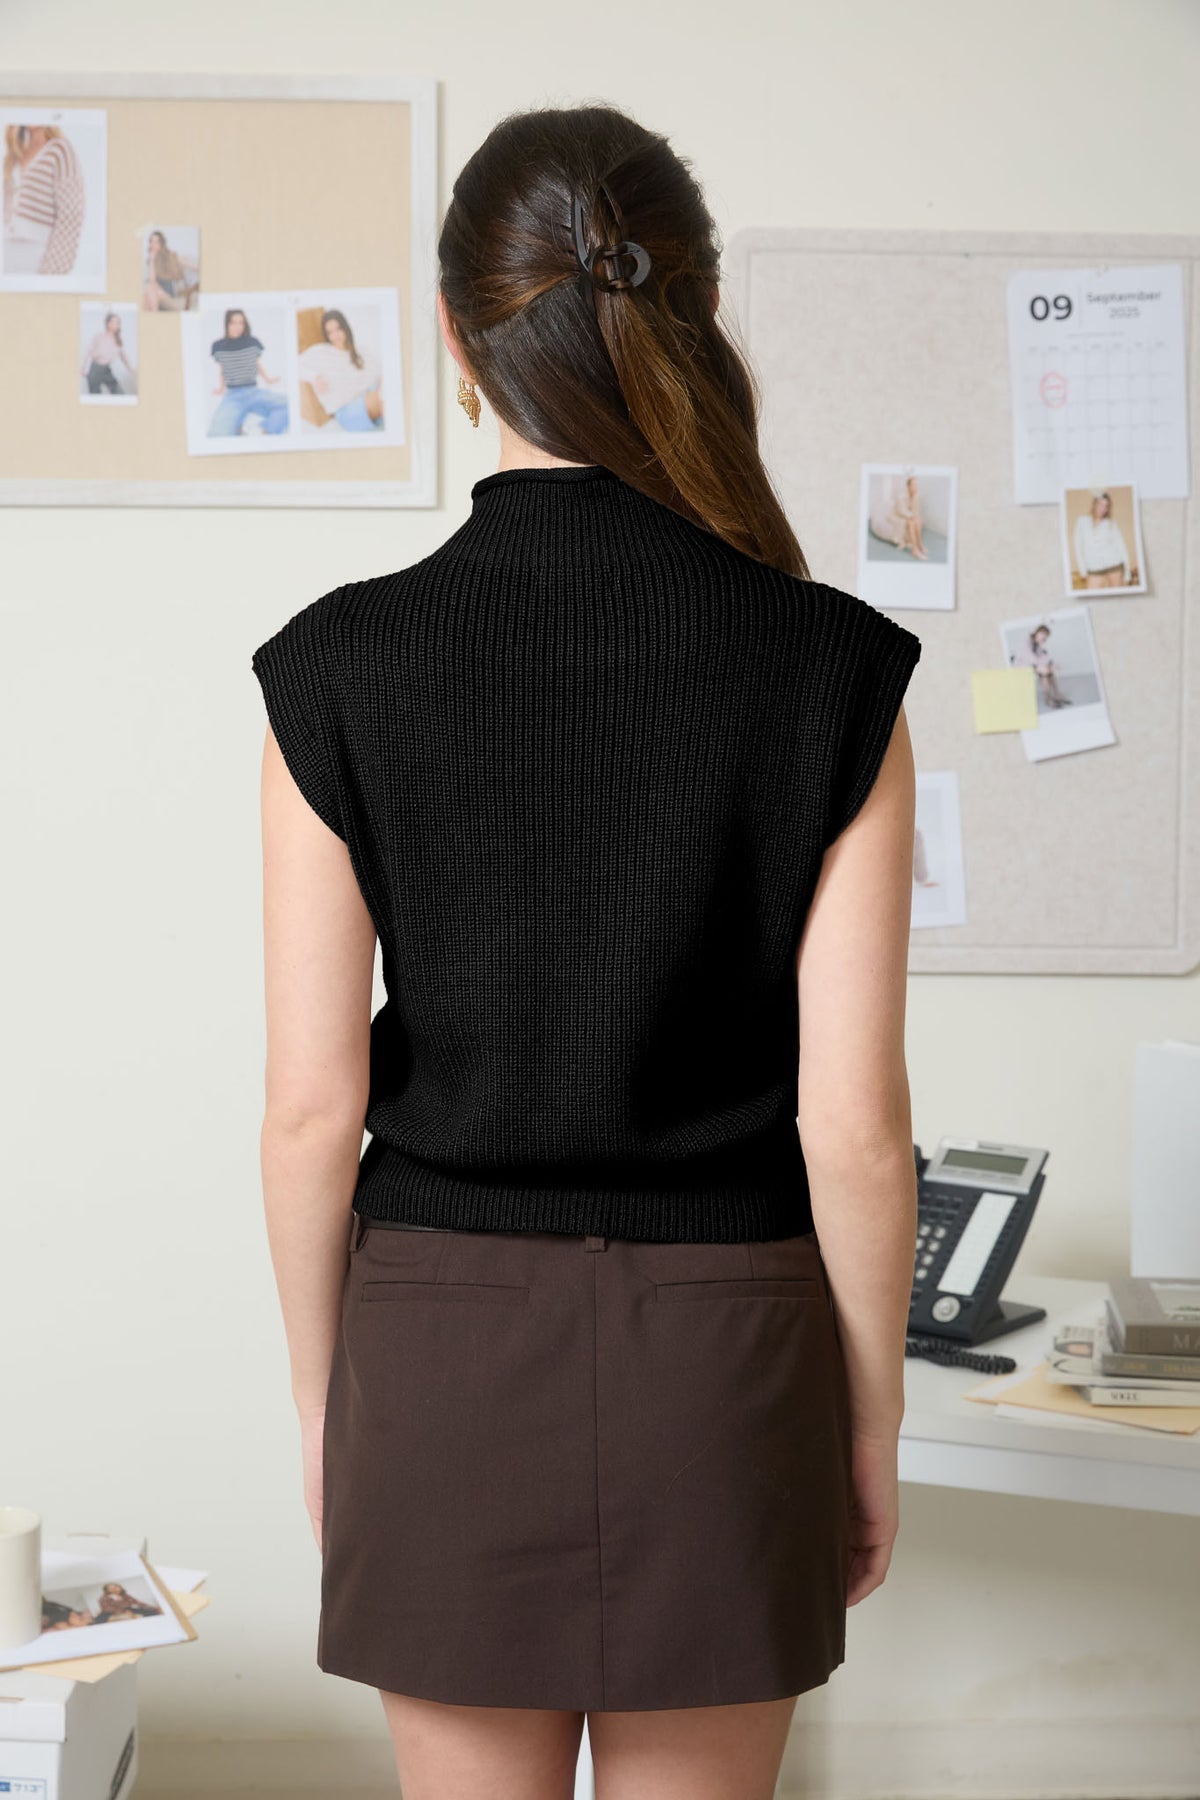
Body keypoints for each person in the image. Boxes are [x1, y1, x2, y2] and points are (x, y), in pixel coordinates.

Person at [251, 103, 922, 1800]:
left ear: (454, 333)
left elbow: (312, 1114)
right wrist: (870, 1420)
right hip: (732, 1356)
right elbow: (855, 1130)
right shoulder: (833, 666)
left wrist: (331, 1408)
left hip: (437, 1349)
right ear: (695, 310)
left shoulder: (336, 669)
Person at [2, 122, 85, 277]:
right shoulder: (11, 157)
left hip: (38, 259)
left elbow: (71, 216)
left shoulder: (60, 150)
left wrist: (51, 275)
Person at [297, 307, 384, 430]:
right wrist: (315, 377)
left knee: (388, 389)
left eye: (338, 329)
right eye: (330, 332)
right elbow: (295, 366)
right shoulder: (321, 351)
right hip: (347, 411)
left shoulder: (361, 351)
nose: (335, 336)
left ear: (345, 328)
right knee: (383, 396)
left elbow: (380, 372)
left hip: (368, 397)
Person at [207, 309, 289, 436]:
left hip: (254, 391)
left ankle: (264, 431)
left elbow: (257, 363)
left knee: (290, 405)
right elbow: (222, 369)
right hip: (233, 395)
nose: (238, 327)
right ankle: (238, 426)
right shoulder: (218, 346)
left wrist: (267, 379)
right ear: (227, 324)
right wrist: (221, 388)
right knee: (217, 433)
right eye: (234, 323)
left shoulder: (252, 342)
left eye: (241, 323)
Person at [1073, 490, 1131, 589]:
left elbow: (1121, 546)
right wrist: (1083, 570)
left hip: (1115, 566)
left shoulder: (1111, 524)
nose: (1103, 509)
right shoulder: (1082, 521)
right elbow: (1078, 546)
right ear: (1094, 504)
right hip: (1094, 569)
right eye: (1100, 504)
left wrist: (1127, 572)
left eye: (1106, 506)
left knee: (1117, 597)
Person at [81, 311, 135, 396]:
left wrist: (131, 369)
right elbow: (88, 353)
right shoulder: (99, 336)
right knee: (95, 397)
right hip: (95, 370)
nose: (115, 324)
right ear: (107, 323)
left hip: (106, 370)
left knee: (120, 393)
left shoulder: (118, 341)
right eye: (112, 322)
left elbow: (124, 357)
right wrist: (83, 368)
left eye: (117, 322)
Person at [143, 228, 198, 312]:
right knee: (149, 294)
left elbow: (189, 265)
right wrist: (152, 259)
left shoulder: (171, 255)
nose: (153, 244)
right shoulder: (150, 259)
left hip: (170, 287)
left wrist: (199, 268)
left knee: (149, 291)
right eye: (151, 241)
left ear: (162, 243)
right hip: (157, 287)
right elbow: (152, 280)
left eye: (156, 242)